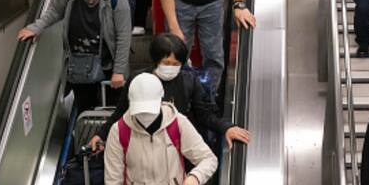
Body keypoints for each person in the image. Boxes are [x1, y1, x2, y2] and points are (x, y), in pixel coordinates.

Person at [91, 32, 250, 150]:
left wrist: (227, 127)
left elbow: (205, 114)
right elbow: (121, 112)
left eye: (176, 64)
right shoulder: (138, 80)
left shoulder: (189, 80)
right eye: (166, 62)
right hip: (143, 144)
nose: (171, 68)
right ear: (155, 60)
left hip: (177, 145)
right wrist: (101, 134)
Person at [17, 0, 131, 111]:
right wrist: (36, 27)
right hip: (79, 64)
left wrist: (119, 71)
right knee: (85, 107)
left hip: (107, 65)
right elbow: (56, 11)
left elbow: (124, 36)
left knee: (112, 109)